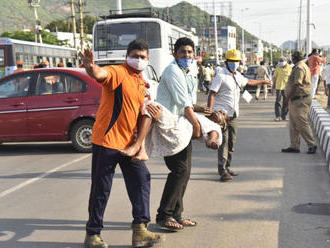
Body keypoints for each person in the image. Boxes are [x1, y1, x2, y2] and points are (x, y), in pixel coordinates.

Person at [80, 39, 161, 248]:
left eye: (143, 57)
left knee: (142, 179)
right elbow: (101, 74)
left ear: (148, 59)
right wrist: (90, 67)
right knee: (101, 189)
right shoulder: (118, 72)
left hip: (128, 144)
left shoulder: (141, 81)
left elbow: (143, 111)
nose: (139, 60)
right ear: (127, 56)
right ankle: (92, 235)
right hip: (106, 141)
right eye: (135, 56)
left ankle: (140, 230)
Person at [153, 37, 201, 231]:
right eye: (183, 52)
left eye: (190, 52)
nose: (187, 56)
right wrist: (197, 125)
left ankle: (177, 214)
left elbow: (190, 101)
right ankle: (164, 215)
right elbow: (183, 103)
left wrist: (202, 112)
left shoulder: (188, 72)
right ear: (175, 54)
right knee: (179, 170)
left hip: (182, 126)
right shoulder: (173, 71)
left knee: (185, 172)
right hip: (170, 127)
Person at [207, 49, 272, 182]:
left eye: (236, 61)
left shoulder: (237, 75)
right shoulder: (221, 76)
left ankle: (228, 166)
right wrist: (210, 110)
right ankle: (222, 170)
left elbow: (248, 82)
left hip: (234, 114)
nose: (234, 64)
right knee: (223, 142)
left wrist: (262, 82)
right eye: (232, 61)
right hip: (222, 115)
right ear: (227, 62)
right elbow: (212, 93)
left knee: (232, 143)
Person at [282, 50, 317, 154]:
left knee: (302, 123)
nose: (292, 58)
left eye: (293, 57)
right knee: (293, 124)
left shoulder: (299, 68)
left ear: (295, 58)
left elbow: (297, 85)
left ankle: (312, 144)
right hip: (296, 99)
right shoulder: (300, 66)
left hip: (300, 99)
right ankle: (294, 146)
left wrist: (287, 99)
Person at [273, 57, 292, 121]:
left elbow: (292, 78)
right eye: (280, 61)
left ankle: (284, 116)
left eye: (282, 61)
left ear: (285, 61)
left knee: (286, 102)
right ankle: (278, 116)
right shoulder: (278, 68)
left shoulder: (290, 68)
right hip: (278, 87)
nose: (281, 63)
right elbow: (275, 78)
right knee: (278, 101)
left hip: (287, 88)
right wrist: (273, 87)